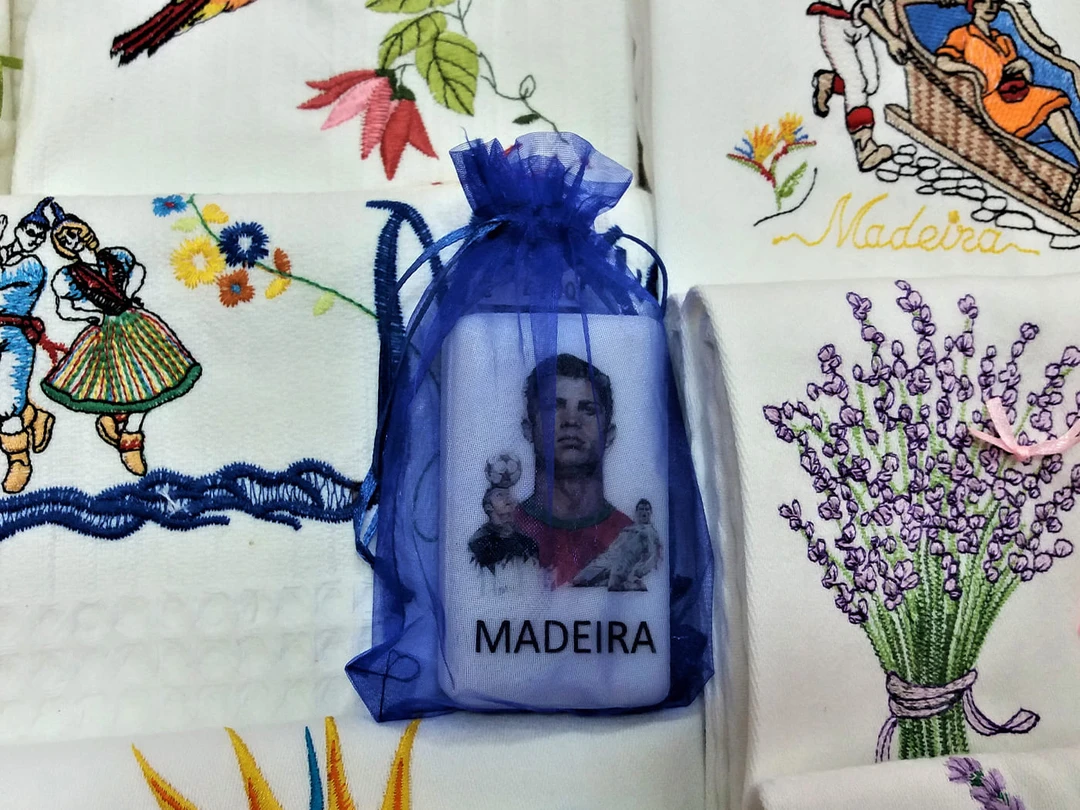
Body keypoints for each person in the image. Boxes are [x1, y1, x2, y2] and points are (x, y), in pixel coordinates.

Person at [41, 204, 202, 476]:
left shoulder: (115, 257)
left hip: (137, 323)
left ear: (84, 232)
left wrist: (129, 293)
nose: (72, 241)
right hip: (106, 330)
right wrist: (91, 314)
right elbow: (64, 309)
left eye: (74, 234)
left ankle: (116, 423)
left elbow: (138, 271)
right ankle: (129, 441)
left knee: (149, 378)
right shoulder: (70, 275)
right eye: (65, 240)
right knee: (121, 381)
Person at [935, 0, 1080, 202]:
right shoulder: (962, 34)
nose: (990, 7)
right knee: (1049, 102)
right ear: (973, 5)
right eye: (983, 2)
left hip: (1015, 95)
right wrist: (971, 71)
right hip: (989, 102)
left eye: (994, 2)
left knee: (1055, 101)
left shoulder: (1003, 39)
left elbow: (1021, 77)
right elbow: (942, 62)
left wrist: (1023, 66)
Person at [513, 353, 633, 588]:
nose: (571, 421)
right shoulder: (503, 536)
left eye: (588, 409)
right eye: (553, 407)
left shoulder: (631, 540)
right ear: (528, 429)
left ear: (609, 435)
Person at [807, 0, 911, 170]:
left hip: (862, 29)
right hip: (837, 28)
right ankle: (865, 149)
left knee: (870, 85)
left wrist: (896, 35)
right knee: (856, 85)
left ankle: (828, 82)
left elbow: (884, 2)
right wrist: (890, 39)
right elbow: (861, 9)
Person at [0, 198, 57, 493]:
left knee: (5, 405)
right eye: (30, 232)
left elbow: (5, 277)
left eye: (39, 237)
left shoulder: (32, 267)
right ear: (19, 230)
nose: (34, 239)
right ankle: (34, 416)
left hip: (14, 338)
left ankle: (19, 460)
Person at [572, 498, 663, 592]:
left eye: (646, 509)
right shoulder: (628, 529)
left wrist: (637, 571)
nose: (644, 512)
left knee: (614, 583)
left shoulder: (649, 532)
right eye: (641, 509)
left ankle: (626, 582)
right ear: (636, 512)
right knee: (579, 580)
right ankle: (606, 579)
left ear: (650, 512)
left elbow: (652, 556)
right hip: (609, 559)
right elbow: (614, 547)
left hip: (625, 563)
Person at [468, 483, 540, 575]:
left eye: (508, 494)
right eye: (500, 495)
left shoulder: (528, 543)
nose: (507, 498)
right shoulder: (478, 544)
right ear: (488, 507)